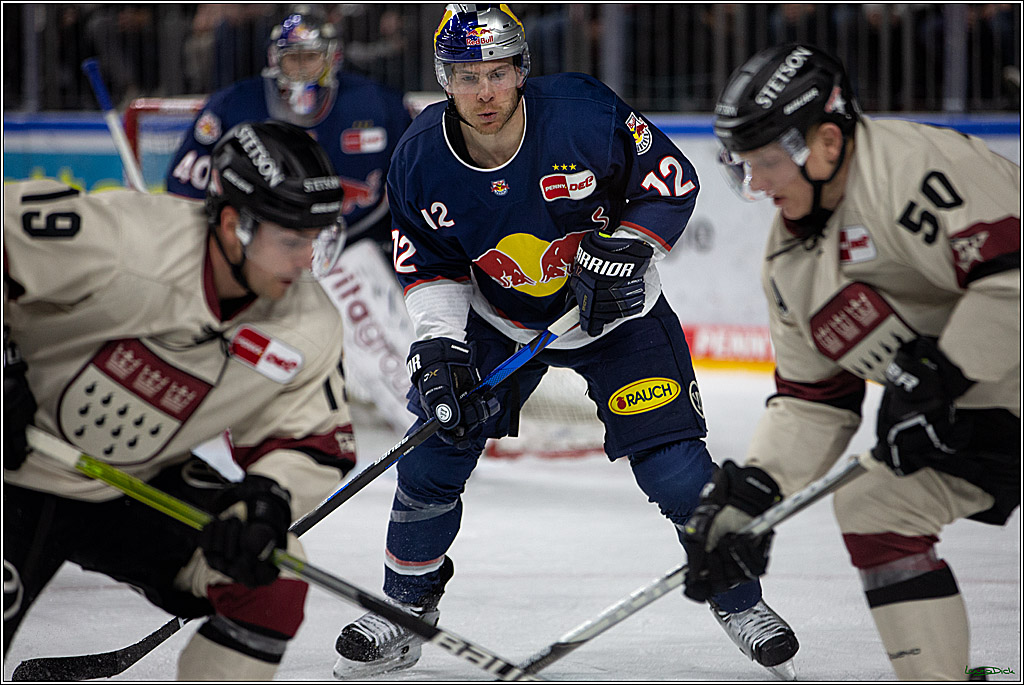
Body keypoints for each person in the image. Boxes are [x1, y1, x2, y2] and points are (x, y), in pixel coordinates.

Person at [331, 4, 801, 680]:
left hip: (619, 318)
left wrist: (625, 251)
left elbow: (669, 181)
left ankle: (740, 601)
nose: (485, 92)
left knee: (675, 467)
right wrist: (438, 345)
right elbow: (430, 264)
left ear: (522, 70)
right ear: (445, 79)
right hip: (499, 321)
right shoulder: (419, 158)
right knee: (433, 450)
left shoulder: (582, 111)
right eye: (467, 76)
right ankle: (405, 610)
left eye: (497, 72)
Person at [682, 43, 1020, 681]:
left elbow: (1013, 280)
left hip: (992, 382)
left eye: (769, 163)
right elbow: (814, 402)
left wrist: (944, 373)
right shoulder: (790, 267)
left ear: (828, 143)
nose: (755, 186)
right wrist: (753, 494)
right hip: (984, 406)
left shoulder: (915, 169)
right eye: (743, 168)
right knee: (876, 508)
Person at [3, 121, 357, 680]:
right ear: (233, 224)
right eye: (292, 240)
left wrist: (265, 500)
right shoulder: (126, 239)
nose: (306, 262)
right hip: (13, 475)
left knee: (272, 575)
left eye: (318, 240)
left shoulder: (306, 324)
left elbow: (307, 439)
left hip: (130, 484)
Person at [167, 5, 416, 432]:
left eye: (309, 57)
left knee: (376, 328)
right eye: (291, 58)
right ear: (273, 60)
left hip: (352, 245)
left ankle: (417, 406)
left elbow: (418, 177)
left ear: (332, 58)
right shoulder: (233, 105)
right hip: (263, 251)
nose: (300, 68)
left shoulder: (379, 105)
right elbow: (186, 184)